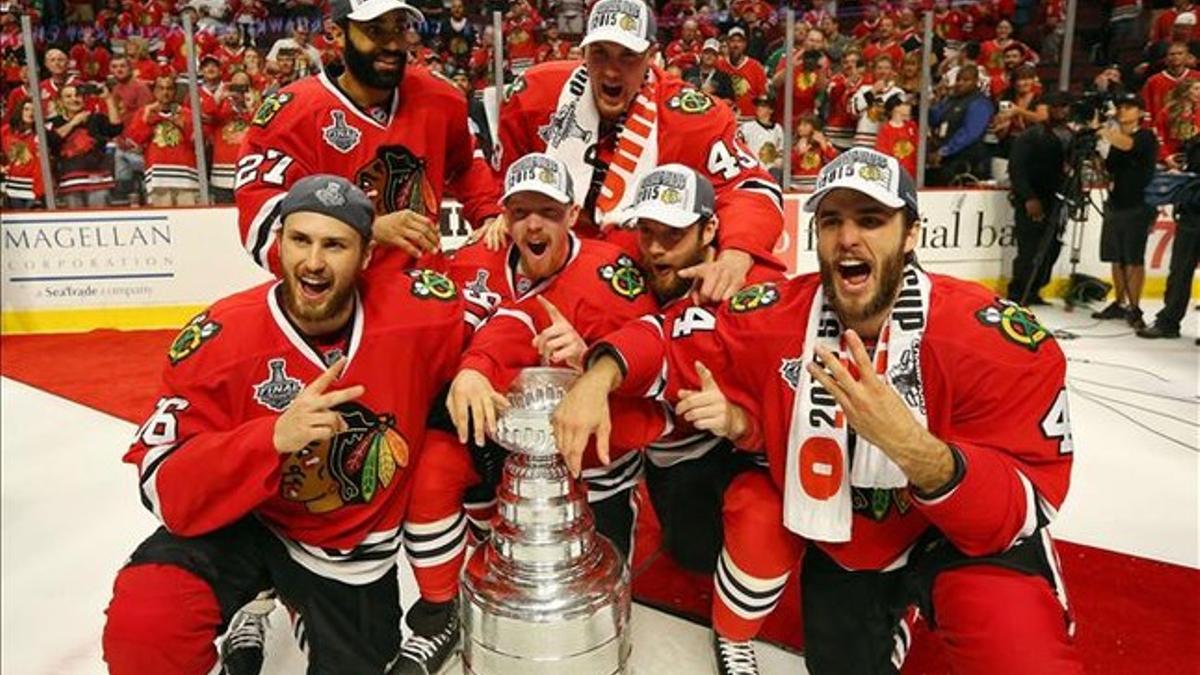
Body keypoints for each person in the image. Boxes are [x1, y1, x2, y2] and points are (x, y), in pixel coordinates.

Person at [556, 148, 1083, 675]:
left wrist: (913, 449)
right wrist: (598, 377)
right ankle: (891, 612)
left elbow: (1021, 507)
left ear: (912, 234)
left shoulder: (993, 342)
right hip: (853, 534)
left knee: (1015, 645)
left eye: (871, 220)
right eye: (832, 221)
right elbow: (672, 340)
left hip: (961, 535)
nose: (848, 237)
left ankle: (922, 599)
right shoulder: (773, 315)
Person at [101, 175, 488, 675]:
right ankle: (252, 600)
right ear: (278, 244)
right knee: (149, 621)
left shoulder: (420, 314)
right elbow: (163, 486)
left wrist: (477, 366)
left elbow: (499, 320)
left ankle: (291, 601)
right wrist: (270, 439)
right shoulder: (220, 338)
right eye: (299, 240)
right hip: (244, 522)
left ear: (367, 255)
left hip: (341, 551)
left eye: (335, 245)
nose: (313, 262)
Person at [397, 153, 664, 674]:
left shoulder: (611, 274)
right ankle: (442, 613)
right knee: (431, 467)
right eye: (520, 212)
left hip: (590, 454)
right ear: (503, 216)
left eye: (546, 210)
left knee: (594, 594)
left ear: (570, 213)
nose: (533, 224)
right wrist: (471, 366)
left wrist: (592, 355)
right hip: (496, 442)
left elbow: (649, 359)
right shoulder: (476, 258)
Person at [621, 164, 802, 675]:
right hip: (671, 459)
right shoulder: (625, 269)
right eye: (648, 232)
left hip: (749, 451)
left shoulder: (759, 290)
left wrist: (743, 422)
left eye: (673, 234)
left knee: (764, 511)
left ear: (708, 231)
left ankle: (735, 634)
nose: (656, 248)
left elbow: (797, 405)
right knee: (694, 555)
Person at [494, 0, 785, 303]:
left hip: (643, 276)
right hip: (552, 264)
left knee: (757, 284)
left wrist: (736, 255)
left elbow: (752, 188)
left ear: (652, 56)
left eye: (628, 56)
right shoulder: (535, 95)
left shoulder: (694, 118)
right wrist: (493, 216)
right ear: (583, 54)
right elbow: (499, 183)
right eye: (600, 53)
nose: (611, 71)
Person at [235, 0, 502, 280]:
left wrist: (489, 215)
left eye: (399, 28)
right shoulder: (291, 112)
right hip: (334, 298)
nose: (392, 45)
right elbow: (260, 220)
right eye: (375, 31)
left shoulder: (439, 98)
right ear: (337, 34)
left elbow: (467, 164)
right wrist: (362, 230)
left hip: (423, 292)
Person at [1092, 93, 1162, 330]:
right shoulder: (1116, 139)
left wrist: (1103, 129)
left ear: (1140, 113)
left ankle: (1135, 306)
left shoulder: (1145, 137)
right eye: (1121, 106)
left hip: (1138, 203)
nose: (1123, 110)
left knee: (1133, 258)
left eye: (1129, 107)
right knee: (1116, 256)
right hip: (1116, 201)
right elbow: (1109, 167)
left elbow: (1128, 145)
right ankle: (1120, 302)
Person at [1007, 91, 1073, 305]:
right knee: (1029, 248)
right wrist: (1028, 197)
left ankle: (1035, 289)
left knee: (1052, 247)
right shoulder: (1032, 135)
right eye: (1056, 106)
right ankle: (1018, 292)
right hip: (1034, 197)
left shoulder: (1071, 136)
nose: (1061, 110)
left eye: (1065, 106)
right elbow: (1016, 169)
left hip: (1058, 200)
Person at [125, 74, 201, 207]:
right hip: (157, 179)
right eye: (161, 88)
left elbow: (199, 145)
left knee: (188, 223)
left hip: (187, 179)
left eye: (169, 88)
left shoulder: (187, 114)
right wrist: (147, 119)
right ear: (154, 91)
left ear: (175, 91)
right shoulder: (145, 112)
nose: (165, 92)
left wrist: (184, 126)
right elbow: (133, 143)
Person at [46, 82, 123, 208]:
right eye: (68, 96)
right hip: (70, 182)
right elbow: (51, 140)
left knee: (100, 222)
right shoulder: (53, 123)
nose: (74, 99)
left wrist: (108, 99)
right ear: (60, 101)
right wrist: (73, 123)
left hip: (98, 180)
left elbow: (116, 128)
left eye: (78, 96)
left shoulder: (96, 118)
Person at [928, 64, 994, 185]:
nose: (960, 83)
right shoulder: (951, 99)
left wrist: (944, 150)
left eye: (966, 80)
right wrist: (934, 101)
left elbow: (970, 133)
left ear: (975, 81)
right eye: (958, 79)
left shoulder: (980, 103)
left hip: (968, 159)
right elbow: (934, 118)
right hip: (946, 157)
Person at [717, 26, 767, 118]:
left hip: (750, 119)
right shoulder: (719, 65)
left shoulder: (756, 67)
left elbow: (762, 95)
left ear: (745, 44)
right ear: (727, 43)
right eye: (732, 41)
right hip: (724, 119)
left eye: (739, 41)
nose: (736, 45)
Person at [738, 94, 783, 173]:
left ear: (771, 110)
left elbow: (781, 150)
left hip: (770, 172)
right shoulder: (747, 127)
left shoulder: (778, 129)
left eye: (763, 106)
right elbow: (738, 146)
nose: (759, 108)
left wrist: (779, 160)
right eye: (758, 105)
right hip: (752, 171)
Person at [684, 38, 737, 104]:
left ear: (717, 57)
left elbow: (730, 100)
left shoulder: (723, 77)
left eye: (713, 54)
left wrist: (714, 99)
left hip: (714, 112)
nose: (709, 56)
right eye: (707, 53)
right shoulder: (689, 72)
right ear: (701, 54)